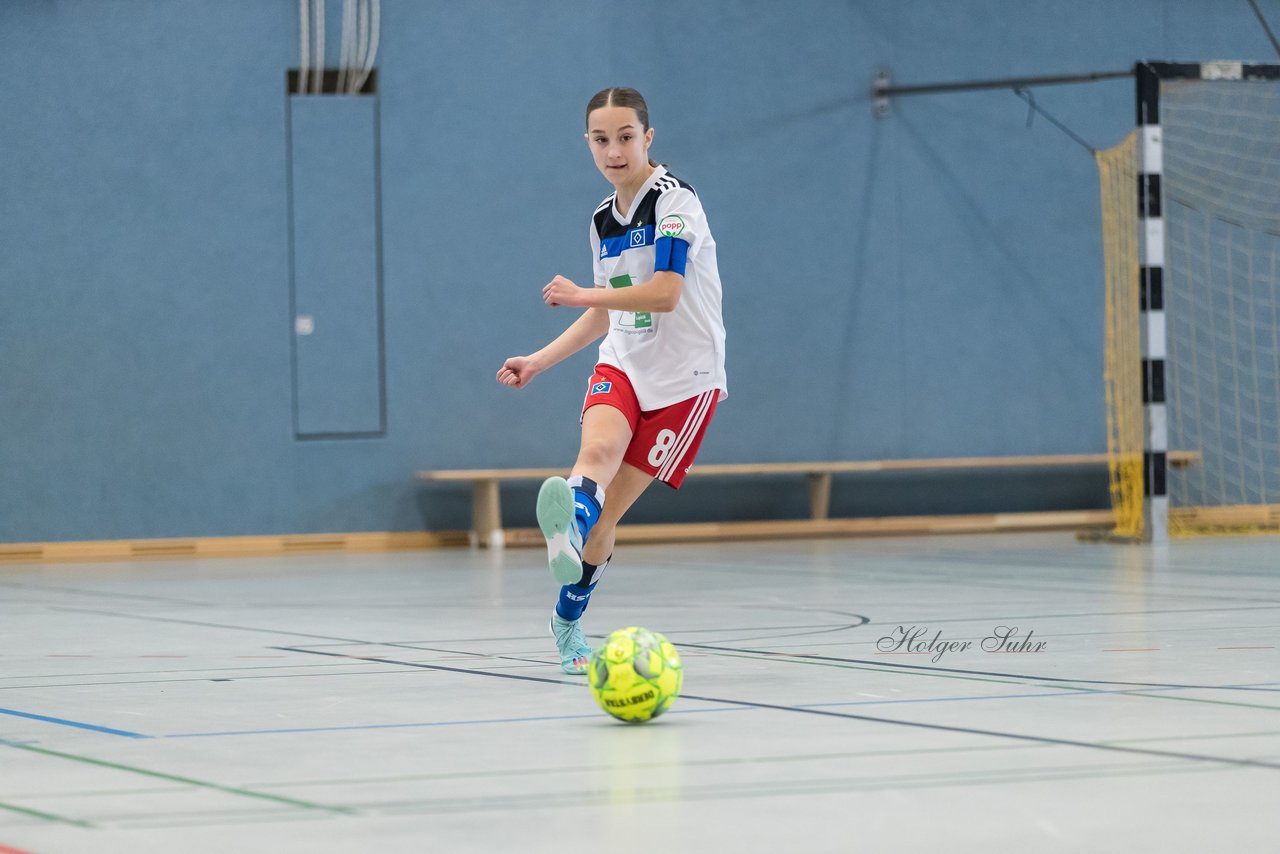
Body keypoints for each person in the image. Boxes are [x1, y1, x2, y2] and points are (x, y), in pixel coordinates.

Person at [496, 87, 727, 674]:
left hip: (685, 383)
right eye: (601, 139)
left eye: (626, 136)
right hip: (624, 359)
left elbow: (665, 294)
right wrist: (540, 360)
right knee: (595, 449)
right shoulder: (603, 220)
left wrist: (581, 291)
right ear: (588, 144)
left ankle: (567, 616)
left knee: (608, 518)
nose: (614, 149)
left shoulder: (676, 203)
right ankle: (567, 530)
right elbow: (606, 313)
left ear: (648, 138)